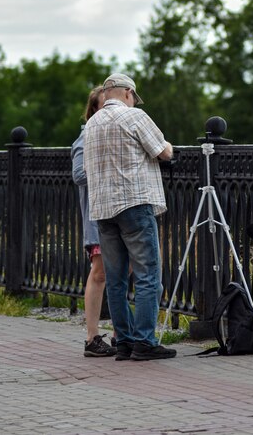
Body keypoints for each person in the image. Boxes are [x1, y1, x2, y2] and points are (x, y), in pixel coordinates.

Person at [83, 73, 176, 361]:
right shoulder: (135, 116)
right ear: (127, 93)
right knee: (149, 276)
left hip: (103, 209)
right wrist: (169, 148)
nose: (134, 100)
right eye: (134, 96)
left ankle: (122, 341)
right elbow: (163, 152)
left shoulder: (91, 124)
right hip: (134, 204)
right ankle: (144, 342)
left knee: (116, 279)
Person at [71, 86, 116, 357]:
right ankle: (91, 337)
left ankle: (119, 333)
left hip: (115, 214)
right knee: (99, 274)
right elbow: (78, 174)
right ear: (95, 110)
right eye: (104, 105)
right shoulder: (87, 136)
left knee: (124, 272)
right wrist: (110, 168)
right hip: (97, 217)